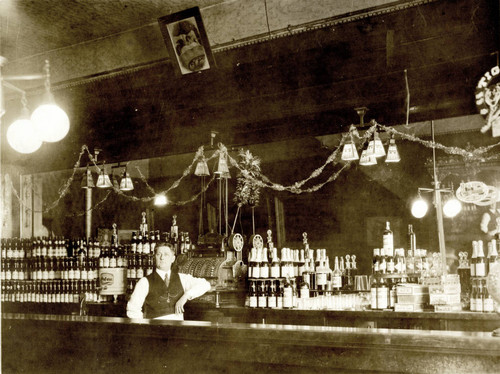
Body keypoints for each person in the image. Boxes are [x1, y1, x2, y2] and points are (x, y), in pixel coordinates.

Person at [127, 242, 210, 320]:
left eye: (166, 254)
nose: (162, 257)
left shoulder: (182, 278)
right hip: (155, 330)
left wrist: (185, 297)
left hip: (178, 329)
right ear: (154, 257)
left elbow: (205, 284)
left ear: (173, 259)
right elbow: (132, 309)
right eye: (158, 254)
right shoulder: (144, 282)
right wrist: (144, 327)